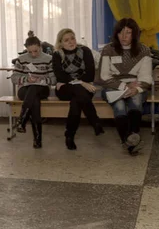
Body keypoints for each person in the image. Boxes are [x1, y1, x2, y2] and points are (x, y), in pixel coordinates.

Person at [97, 18, 152, 155]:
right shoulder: (108, 49)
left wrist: (136, 89)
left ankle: (128, 143)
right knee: (119, 105)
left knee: (136, 100)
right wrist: (124, 86)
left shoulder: (143, 50)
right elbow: (103, 76)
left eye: (128, 33)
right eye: (120, 33)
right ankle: (131, 142)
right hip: (113, 87)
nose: (123, 36)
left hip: (136, 86)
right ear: (116, 34)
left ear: (134, 35)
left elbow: (146, 78)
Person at [52, 28, 104, 150]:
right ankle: (94, 120)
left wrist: (76, 82)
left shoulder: (85, 51)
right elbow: (60, 76)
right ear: (60, 43)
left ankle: (69, 135)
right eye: (66, 40)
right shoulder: (57, 54)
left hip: (83, 88)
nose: (71, 42)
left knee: (77, 101)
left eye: (72, 38)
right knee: (80, 94)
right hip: (65, 90)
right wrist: (82, 82)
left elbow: (90, 74)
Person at [10, 31, 56, 148]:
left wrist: (41, 81)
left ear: (40, 46)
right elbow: (14, 78)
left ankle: (22, 120)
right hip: (24, 90)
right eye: (30, 52)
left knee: (34, 89)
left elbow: (54, 79)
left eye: (36, 51)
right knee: (34, 98)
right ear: (26, 49)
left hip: (43, 89)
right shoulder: (21, 59)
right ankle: (37, 139)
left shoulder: (49, 58)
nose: (33, 54)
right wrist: (27, 79)